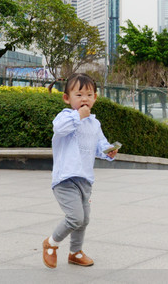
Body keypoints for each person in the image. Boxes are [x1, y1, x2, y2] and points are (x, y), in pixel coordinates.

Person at [42, 73, 118, 269]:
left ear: (95, 98)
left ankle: (75, 252)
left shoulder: (95, 123)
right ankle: (51, 243)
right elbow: (59, 129)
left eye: (89, 94)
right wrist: (78, 116)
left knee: (84, 220)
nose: (84, 98)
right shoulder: (66, 116)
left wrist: (109, 152)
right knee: (75, 217)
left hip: (85, 180)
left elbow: (100, 145)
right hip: (65, 179)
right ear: (67, 98)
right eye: (79, 94)